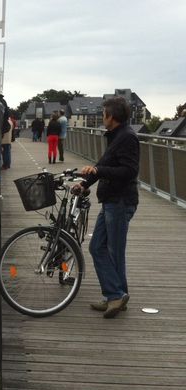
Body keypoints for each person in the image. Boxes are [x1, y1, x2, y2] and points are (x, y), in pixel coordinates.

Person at [73, 96, 139, 318]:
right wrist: (84, 183)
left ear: (112, 116)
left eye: (103, 114)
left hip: (120, 201)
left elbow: (129, 171)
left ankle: (116, 296)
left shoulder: (127, 138)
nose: (102, 117)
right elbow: (101, 166)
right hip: (111, 200)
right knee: (97, 247)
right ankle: (115, 295)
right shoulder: (116, 136)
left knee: (114, 251)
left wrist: (99, 172)